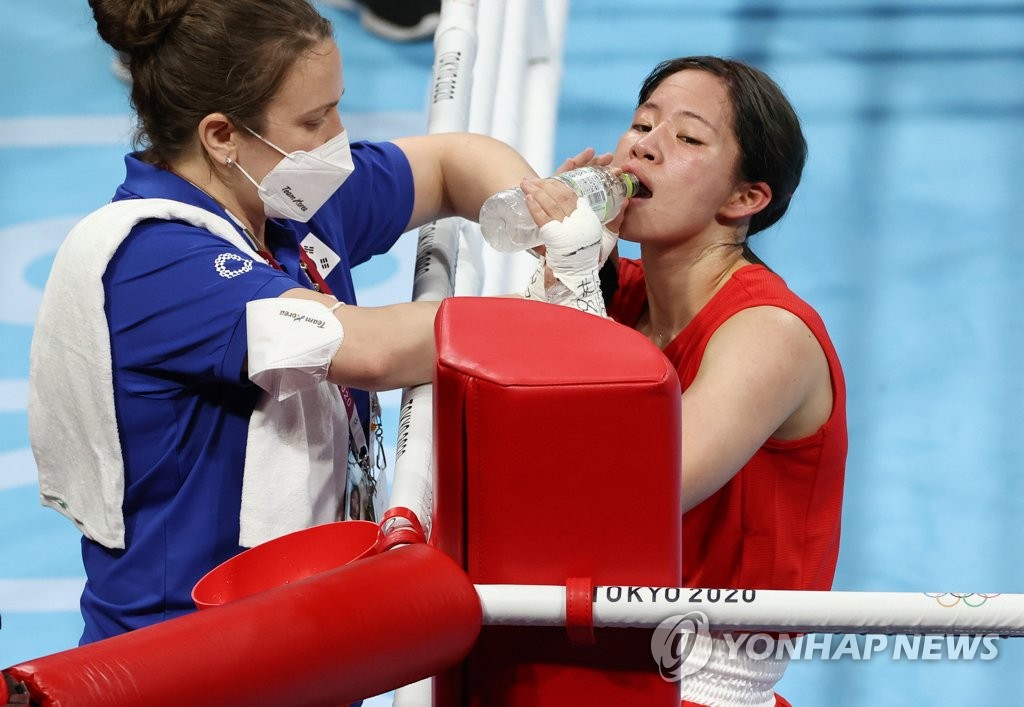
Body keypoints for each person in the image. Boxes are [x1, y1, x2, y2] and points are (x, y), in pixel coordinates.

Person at [28, 0, 537, 646]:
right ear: (222, 136)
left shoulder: (288, 199)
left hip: (297, 636)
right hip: (183, 663)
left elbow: (452, 161)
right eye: (314, 119)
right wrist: (536, 316)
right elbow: (370, 350)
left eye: (338, 106)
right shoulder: (154, 258)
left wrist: (540, 216)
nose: (338, 137)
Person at [518, 56, 847, 706]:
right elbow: (522, 443)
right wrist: (561, 279)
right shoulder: (619, 293)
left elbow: (626, 497)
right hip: (572, 653)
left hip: (689, 684)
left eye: (688, 137)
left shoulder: (768, 333)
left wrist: (574, 288)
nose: (645, 143)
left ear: (744, 198)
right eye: (643, 123)